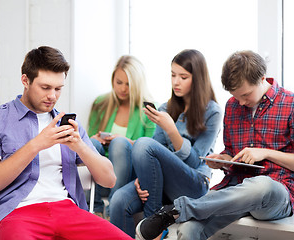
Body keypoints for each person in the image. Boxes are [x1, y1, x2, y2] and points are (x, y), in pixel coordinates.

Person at [0, 46, 134, 240]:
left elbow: (109, 180)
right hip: (17, 212)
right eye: (45, 87)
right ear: (25, 80)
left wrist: (79, 145)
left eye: (58, 89)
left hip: (68, 210)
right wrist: (38, 143)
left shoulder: (69, 124)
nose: (52, 96)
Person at [135, 50, 294, 240]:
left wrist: (265, 153)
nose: (241, 102)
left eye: (246, 95)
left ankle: (176, 210)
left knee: (261, 186)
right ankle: (178, 212)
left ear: (262, 79)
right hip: (235, 192)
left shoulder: (290, 104)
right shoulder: (232, 106)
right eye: (236, 96)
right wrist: (223, 160)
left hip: (276, 193)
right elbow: (231, 153)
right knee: (188, 229)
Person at [109, 49, 223, 238]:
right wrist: (141, 179)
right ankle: (151, 225)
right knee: (119, 200)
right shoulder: (165, 108)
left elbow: (195, 162)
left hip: (194, 184)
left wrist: (171, 129)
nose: (176, 82)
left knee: (143, 143)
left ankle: (152, 224)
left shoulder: (212, 112)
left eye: (183, 77)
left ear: (198, 79)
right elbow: (151, 153)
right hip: (161, 183)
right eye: (173, 75)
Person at [87, 55, 156, 218]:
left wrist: (125, 141)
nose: (123, 89)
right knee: (91, 143)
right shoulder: (101, 103)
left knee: (118, 143)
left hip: (130, 177)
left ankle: (112, 211)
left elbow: (152, 149)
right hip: (102, 177)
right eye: (119, 83)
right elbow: (88, 138)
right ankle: (95, 209)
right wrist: (95, 139)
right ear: (112, 80)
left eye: (128, 84)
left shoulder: (149, 110)